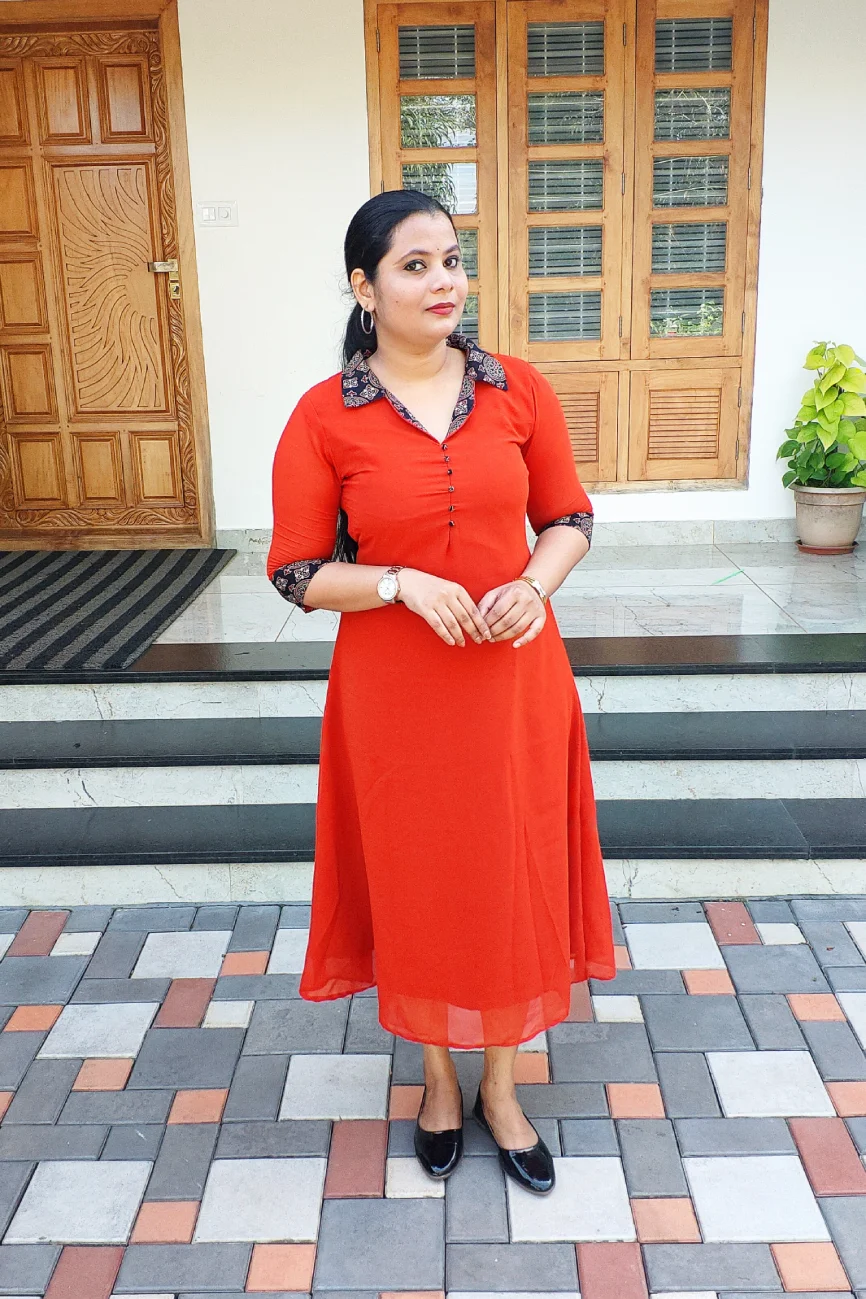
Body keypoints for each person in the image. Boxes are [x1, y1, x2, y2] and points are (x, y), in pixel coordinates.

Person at [267, 189, 617, 1195]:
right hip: (396, 693)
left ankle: (501, 1088)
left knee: (509, 870)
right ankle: (435, 1079)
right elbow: (295, 571)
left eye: (451, 261)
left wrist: (532, 585)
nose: (442, 282)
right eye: (414, 265)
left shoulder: (518, 389)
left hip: (512, 680)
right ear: (364, 286)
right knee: (417, 872)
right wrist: (397, 583)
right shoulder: (324, 415)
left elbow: (569, 517)